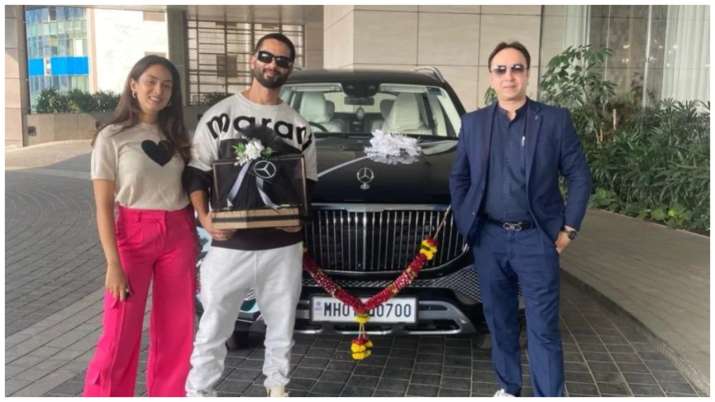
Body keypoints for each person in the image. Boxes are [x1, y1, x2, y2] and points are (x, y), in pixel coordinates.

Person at [449, 41, 592, 397]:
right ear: (491, 77)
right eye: (501, 69)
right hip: (490, 239)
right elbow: (459, 177)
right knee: (500, 322)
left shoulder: (554, 121)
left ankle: (549, 394)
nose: (509, 76)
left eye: (517, 68)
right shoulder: (474, 124)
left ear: (527, 74)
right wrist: (467, 223)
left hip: (537, 239)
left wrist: (569, 229)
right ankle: (508, 389)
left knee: (543, 326)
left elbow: (579, 176)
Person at [183, 33, 317, 397]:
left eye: (282, 60)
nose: (273, 65)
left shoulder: (299, 125)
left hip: (282, 246)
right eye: (266, 56)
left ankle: (277, 387)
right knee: (213, 326)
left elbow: (308, 184)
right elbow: (196, 172)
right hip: (230, 244)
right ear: (252, 59)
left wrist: (299, 217)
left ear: (290, 68)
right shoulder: (220, 115)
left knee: (281, 325)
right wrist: (204, 217)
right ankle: (198, 392)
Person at [83, 55, 197, 396]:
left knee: (177, 330)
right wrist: (112, 263)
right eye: (151, 81)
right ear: (133, 85)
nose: (158, 90)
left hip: (179, 233)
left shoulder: (178, 137)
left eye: (167, 85)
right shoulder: (111, 137)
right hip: (132, 236)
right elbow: (103, 207)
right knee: (119, 331)